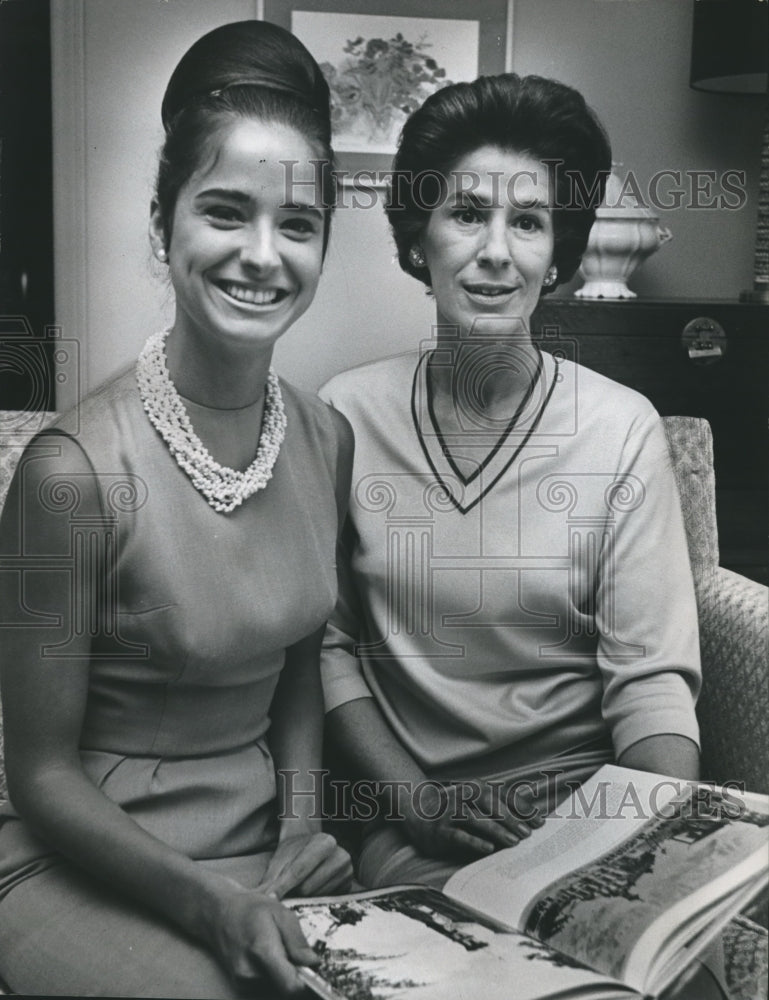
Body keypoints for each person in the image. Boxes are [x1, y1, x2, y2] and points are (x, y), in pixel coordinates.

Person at [0, 20, 353, 998]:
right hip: (81, 866)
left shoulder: (326, 439)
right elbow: (38, 773)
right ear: (163, 227)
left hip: (257, 864)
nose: (261, 256)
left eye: (296, 223)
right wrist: (209, 902)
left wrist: (303, 823)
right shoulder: (68, 473)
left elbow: (294, 669)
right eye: (225, 213)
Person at [319, 74, 702, 891]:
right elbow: (328, 647)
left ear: (557, 256)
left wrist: (653, 847)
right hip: (422, 826)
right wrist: (412, 800)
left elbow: (650, 678)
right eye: (466, 214)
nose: (496, 250)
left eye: (527, 222)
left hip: (589, 816)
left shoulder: (620, 428)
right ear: (419, 241)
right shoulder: (344, 416)